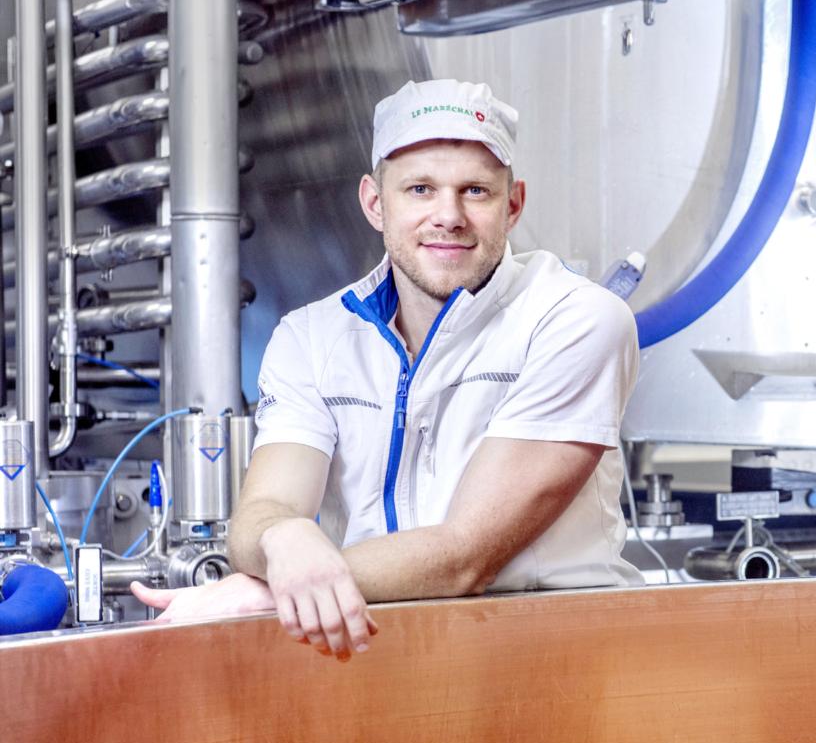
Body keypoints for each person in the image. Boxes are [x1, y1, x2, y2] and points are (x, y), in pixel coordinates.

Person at [132, 79, 641, 657]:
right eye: (420, 189)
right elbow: (260, 516)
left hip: (553, 658)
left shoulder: (576, 320)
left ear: (513, 204)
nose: (448, 216)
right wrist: (284, 537)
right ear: (375, 203)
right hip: (374, 653)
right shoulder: (311, 337)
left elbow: (465, 557)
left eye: (475, 191)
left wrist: (269, 590)